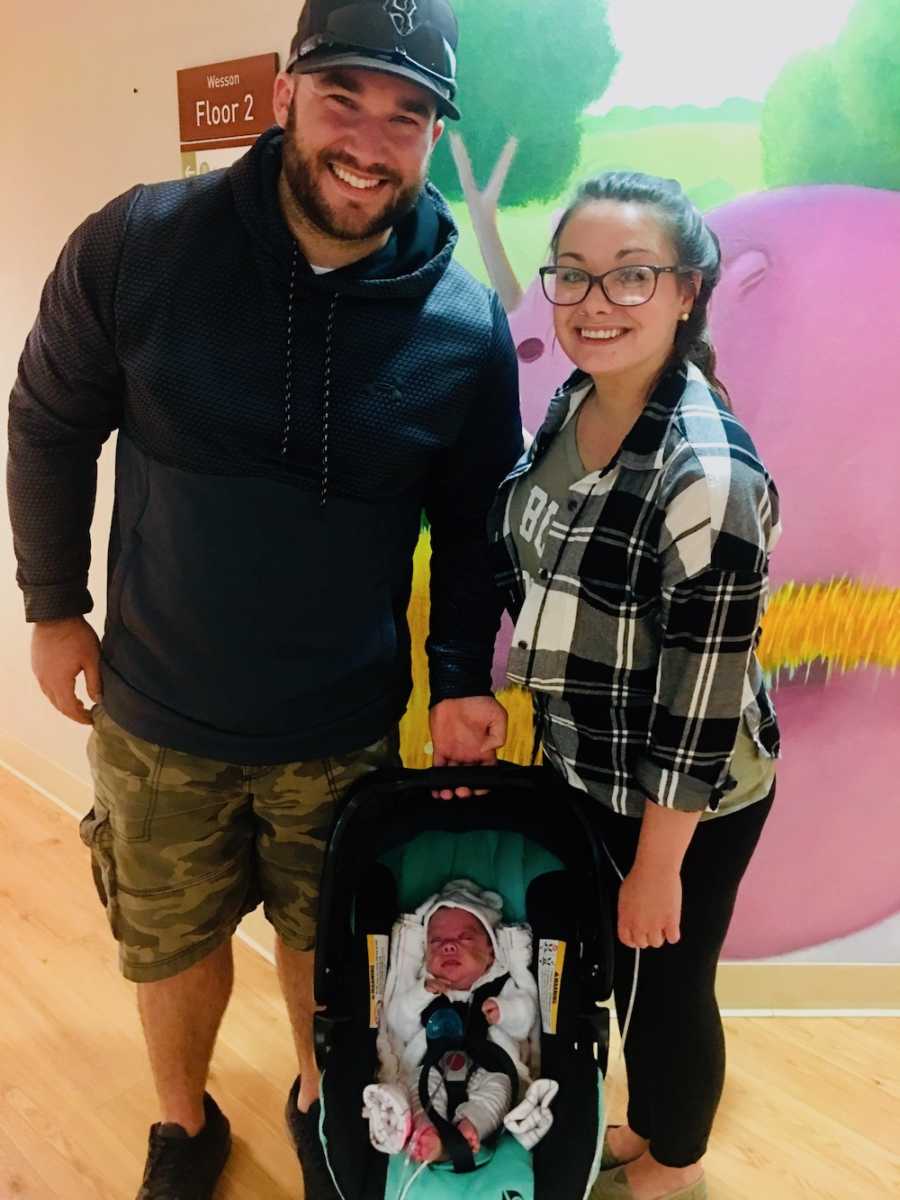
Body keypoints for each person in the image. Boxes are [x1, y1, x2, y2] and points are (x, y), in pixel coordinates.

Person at [6, 0, 523, 1195]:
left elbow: (472, 521)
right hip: (154, 712)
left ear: (433, 138)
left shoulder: (462, 322)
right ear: (286, 92)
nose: (369, 140)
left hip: (341, 729)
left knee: (325, 946)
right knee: (170, 941)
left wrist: (457, 679)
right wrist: (50, 604)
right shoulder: (141, 244)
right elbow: (48, 418)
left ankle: (317, 1098)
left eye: (408, 117)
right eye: (344, 96)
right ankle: (184, 1127)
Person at [489, 172, 781, 1200]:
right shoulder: (579, 401)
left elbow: (702, 703)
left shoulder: (708, 475)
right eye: (573, 277)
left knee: (667, 985)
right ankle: (646, 1123)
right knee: (619, 977)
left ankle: (675, 1160)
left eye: (630, 277)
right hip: (589, 761)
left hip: (680, 794)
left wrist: (659, 865)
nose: (595, 303)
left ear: (687, 291)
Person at [365, 879, 538, 1164]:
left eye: (465, 938)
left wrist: (505, 1011)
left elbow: (526, 1021)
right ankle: (426, 1129)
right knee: (418, 1087)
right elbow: (398, 1023)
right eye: (437, 941)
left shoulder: (499, 986)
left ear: (491, 952)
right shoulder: (423, 989)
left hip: (490, 1069)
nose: (448, 947)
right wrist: (421, 994)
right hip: (431, 1069)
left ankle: (472, 1128)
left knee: (499, 1090)